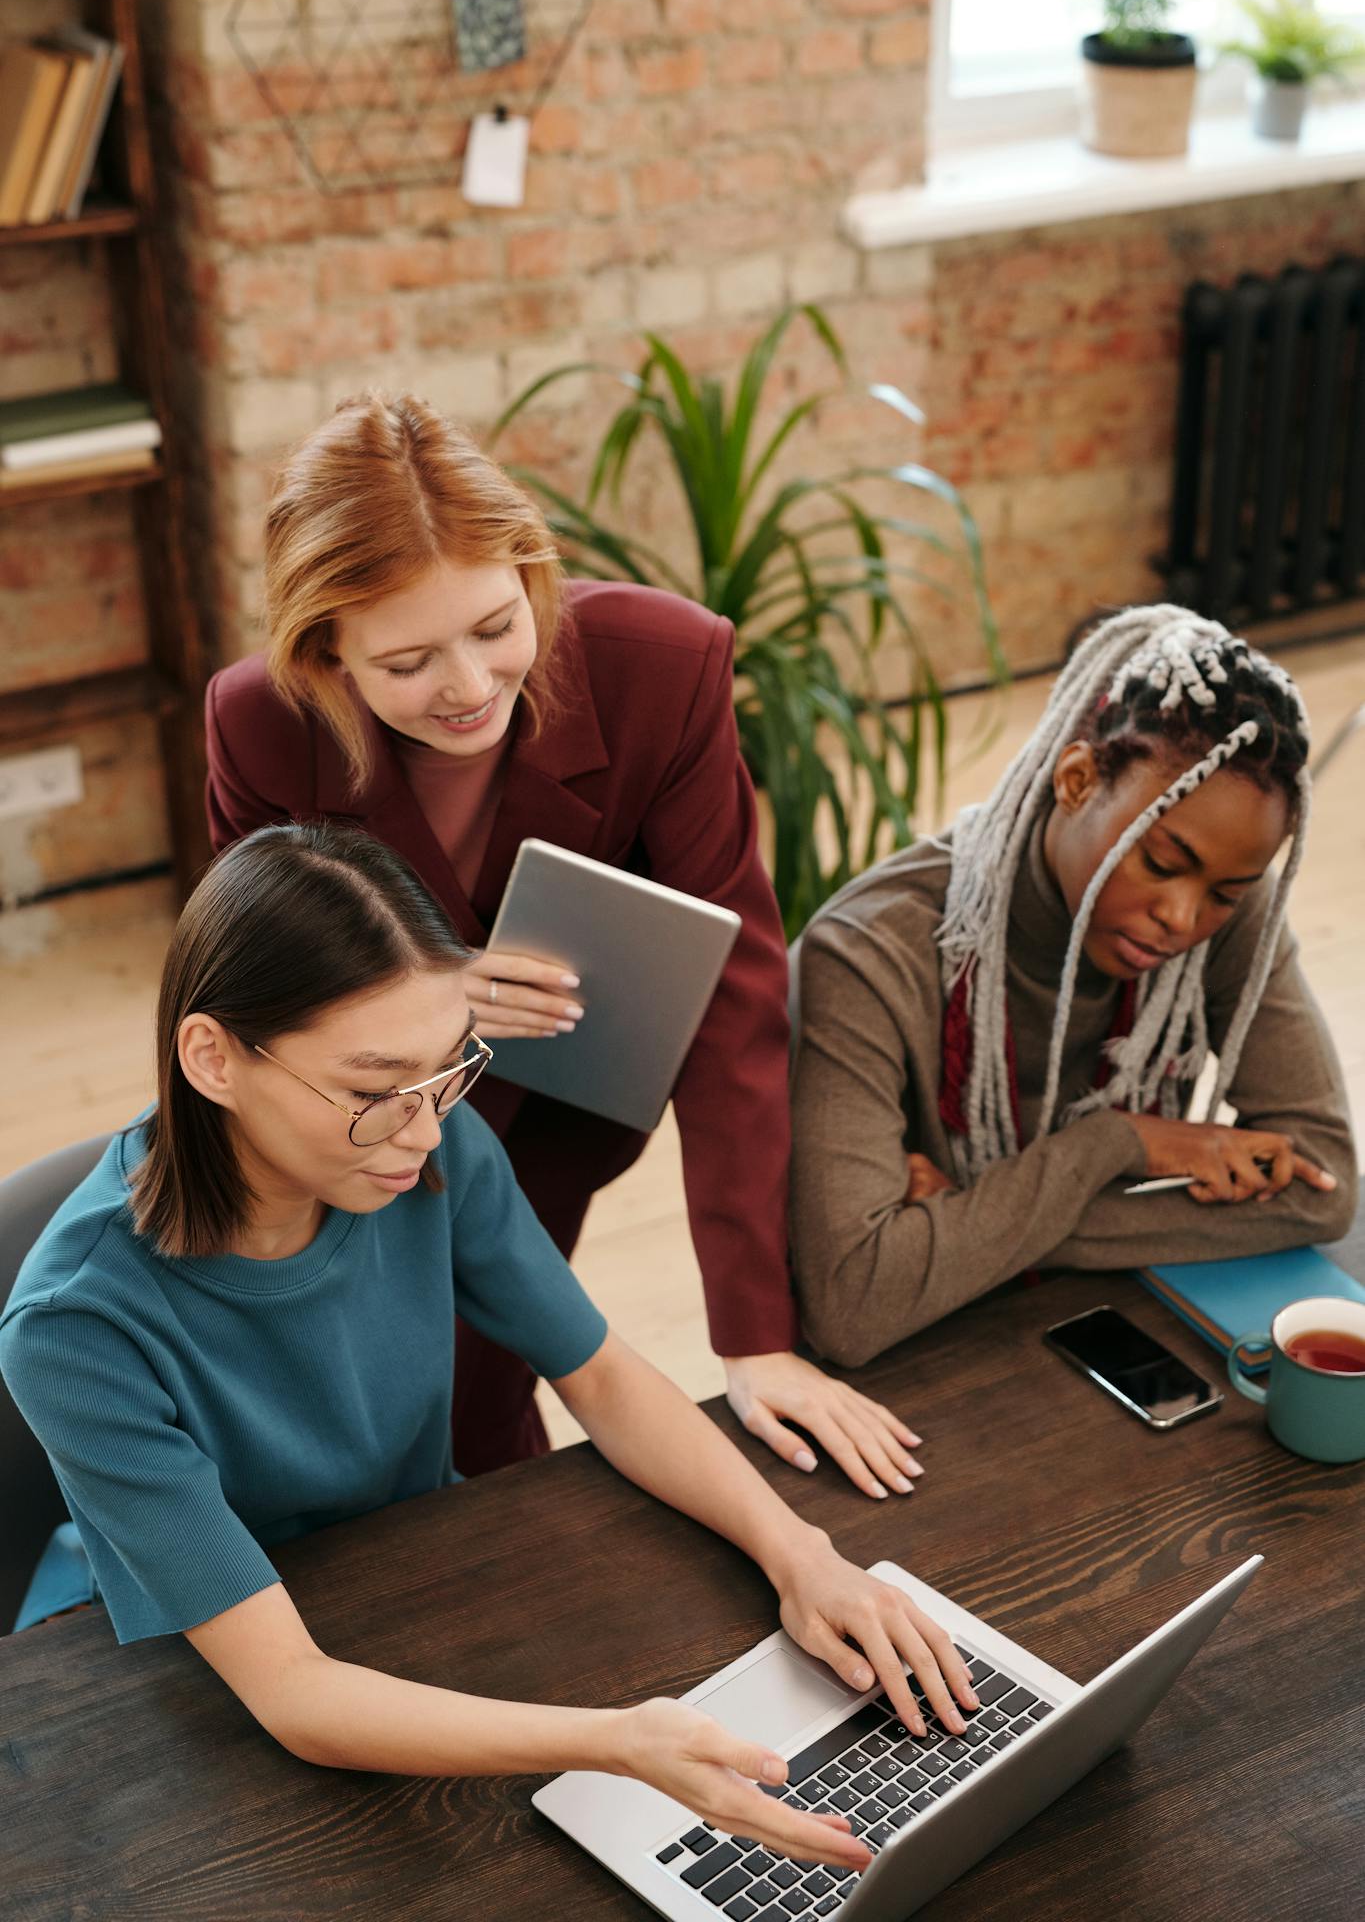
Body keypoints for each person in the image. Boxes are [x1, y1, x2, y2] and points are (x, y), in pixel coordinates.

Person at [0, 824, 977, 1869]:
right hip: (227, 1687)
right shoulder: (74, 1325)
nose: (423, 1129)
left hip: (426, 1583)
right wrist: (616, 1740)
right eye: (375, 1090)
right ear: (213, 1057)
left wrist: (803, 1554)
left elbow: (598, 1372)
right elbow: (289, 1690)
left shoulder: (428, 1144)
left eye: (446, 1068)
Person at [204, 389, 916, 1500]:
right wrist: (431, 989)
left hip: (564, 1104)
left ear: (532, 572)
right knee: (353, 1398)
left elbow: (737, 999)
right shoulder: (257, 722)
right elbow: (253, 987)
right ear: (325, 652)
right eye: (406, 663)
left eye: (496, 627)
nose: (471, 685)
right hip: (352, 1113)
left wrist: (754, 1334)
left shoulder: (663, 668)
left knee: (484, 1380)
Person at [790, 606, 1358, 1370]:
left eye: (1224, 891)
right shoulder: (866, 951)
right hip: (913, 1381)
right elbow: (855, 1300)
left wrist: (964, 1212)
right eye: (1159, 863)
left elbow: (1321, 1187)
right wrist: (1119, 1144)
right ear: (1077, 779)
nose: (1181, 917)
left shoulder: (1231, 916)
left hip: (1101, 1324)